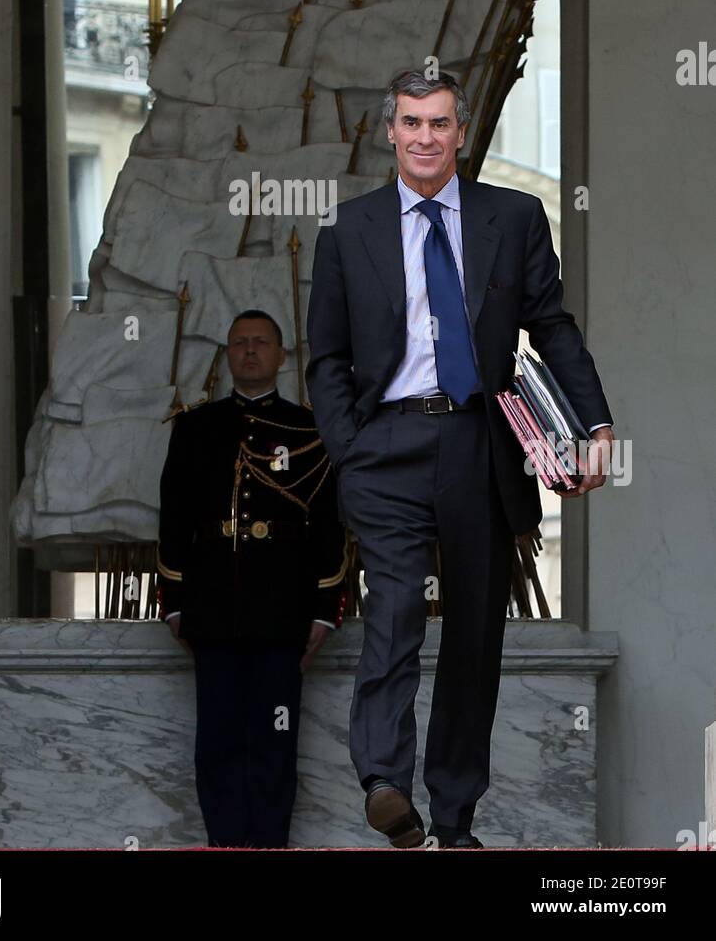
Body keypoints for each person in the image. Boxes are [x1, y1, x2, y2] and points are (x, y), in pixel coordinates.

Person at [305, 69, 615, 850]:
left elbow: (553, 326)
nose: (424, 137)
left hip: (481, 442)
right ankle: (382, 780)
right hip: (385, 447)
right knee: (398, 608)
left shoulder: (512, 218)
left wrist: (596, 424)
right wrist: (350, 450)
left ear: (461, 133)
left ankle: (452, 821)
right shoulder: (349, 230)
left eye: (439, 123)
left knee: (476, 636)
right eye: (411, 123)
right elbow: (326, 359)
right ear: (389, 132)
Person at [156, 309, 348, 848]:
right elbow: (174, 520)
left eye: (260, 342)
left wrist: (323, 609)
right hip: (214, 611)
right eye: (239, 343)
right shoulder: (195, 428)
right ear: (228, 354)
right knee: (217, 743)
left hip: (283, 614)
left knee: (274, 743)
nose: (249, 351)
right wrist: (174, 602)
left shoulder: (310, 429)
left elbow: (328, 527)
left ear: (281, 356)